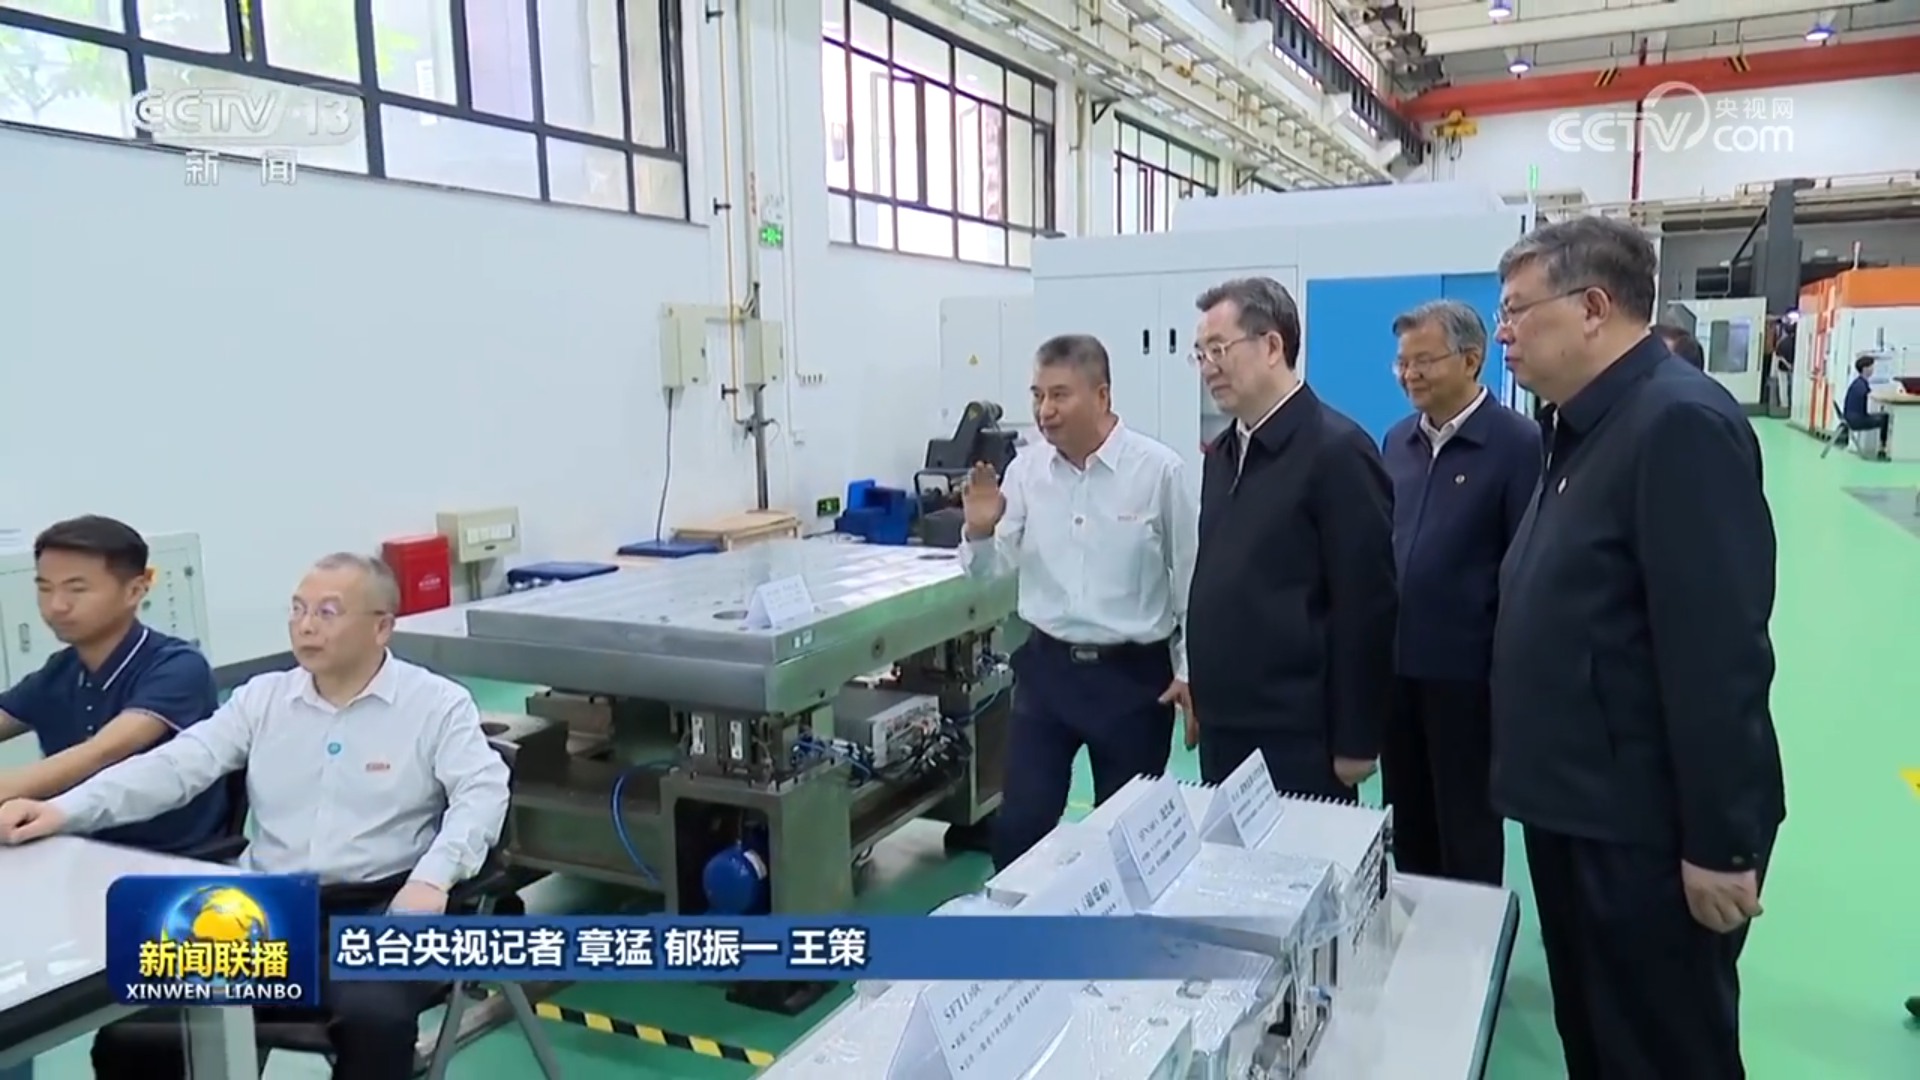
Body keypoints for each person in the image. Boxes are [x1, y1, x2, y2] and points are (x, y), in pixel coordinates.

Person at [0, 552, 512, 1080]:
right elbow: (174, 766)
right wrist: (62, 809)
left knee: (373, 1020)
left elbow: (482, 791)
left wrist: (433, 878)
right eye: (297, 609)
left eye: (328, 612)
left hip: (382, 906)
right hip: (266, 912)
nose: (305, 626)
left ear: (382, 627)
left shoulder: (435, 704)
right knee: (135, 1030)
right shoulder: (263, 699)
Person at [1491, 215, 1785, 1079]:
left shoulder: (1676, 424)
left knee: (1661, 1052)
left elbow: (1718, 654)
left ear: (1592, 308)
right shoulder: (1582, 426)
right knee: (1597, 1042)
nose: (1503, 333)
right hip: (1579, 808)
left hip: (1644, 834)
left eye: (1517, 311)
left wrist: (1721, 844)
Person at [962, 333, 1196, 871]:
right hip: (1047, 673)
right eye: (1037, 395)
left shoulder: (1158, 471)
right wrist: (978, 532)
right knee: (1020, 827)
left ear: (1102, 395)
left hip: (1134, 681)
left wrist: (1190, 670)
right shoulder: (1025, 472)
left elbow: (1191, 577)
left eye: (1060, 395)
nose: (1045, 410)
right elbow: (988, 573)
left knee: (1129, 840)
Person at [1184, 277, 1396, 798]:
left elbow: (1366, 604)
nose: (1208, 367)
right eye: (1201, 354)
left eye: (1219, 349)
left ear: (1272, 346)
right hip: (1225, 722)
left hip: (1298, 733)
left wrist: (1357, 738)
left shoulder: (1337, 451)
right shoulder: (1223, 453)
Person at [1379, 300, 1539, 886]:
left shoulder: (1517, 443)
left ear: (1472, 360)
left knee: (1467, 827)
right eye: (1402, 363)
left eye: (1424, 361)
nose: (1410, 375)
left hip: (1469, 681)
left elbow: (1525, 566)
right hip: (1398, 672)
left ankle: (1472, 935)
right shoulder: (1397, 441)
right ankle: (1415, 924)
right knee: (1408, 820)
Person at [0, 515, 226, 851]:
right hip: (74, 847)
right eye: (45, 588)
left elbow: (102, 752)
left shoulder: (178, 666)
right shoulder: (61, 669)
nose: (56, 605)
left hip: (168, 857)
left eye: (77, 589)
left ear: (135, 591)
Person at [1842, 352, 1890, 451]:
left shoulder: (1859, 383)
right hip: (1857, 420)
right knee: (1885, 418)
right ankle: (1883, 446)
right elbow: (1869, 396)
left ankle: (1882, 445)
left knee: (1883, 416)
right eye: (1871, 367)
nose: (1873, 369)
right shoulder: (1861, 385)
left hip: (1851, 417)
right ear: (1865, 369)